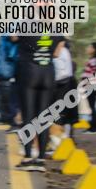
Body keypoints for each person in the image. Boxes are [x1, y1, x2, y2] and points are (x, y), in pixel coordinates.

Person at [14, 34, 65, 171]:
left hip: (29, 71)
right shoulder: (58, 32)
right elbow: (56, 54)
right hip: (47, 73)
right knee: (43, 118)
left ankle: (28, 157)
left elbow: (13, 38)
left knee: (28, 116)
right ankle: (41, 159)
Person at [81, 42, 96, 134]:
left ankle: (95, 128)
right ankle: (95, 127)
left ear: (94, 49)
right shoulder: (94, 59)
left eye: (90, 47)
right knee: (93, 106)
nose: (88, 48)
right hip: (91, 85)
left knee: (93, 106)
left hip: (94, 85)